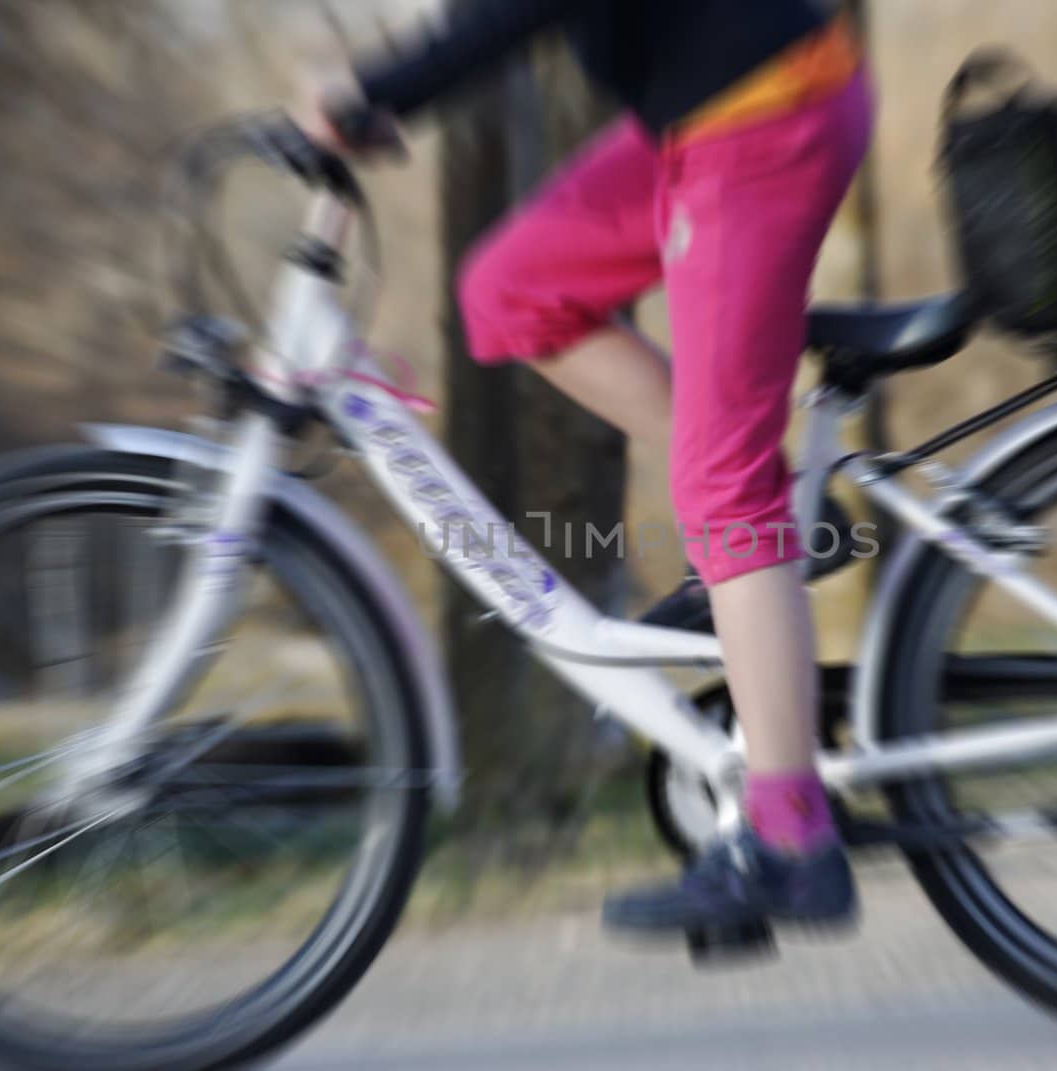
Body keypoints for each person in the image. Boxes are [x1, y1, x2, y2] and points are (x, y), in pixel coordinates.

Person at [304, 0, 873, 939]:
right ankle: (773, 533)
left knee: (724, 489)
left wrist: (379, 90)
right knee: (511, 290)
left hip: (765, 115)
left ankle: (792, 845)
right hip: (701, 116)